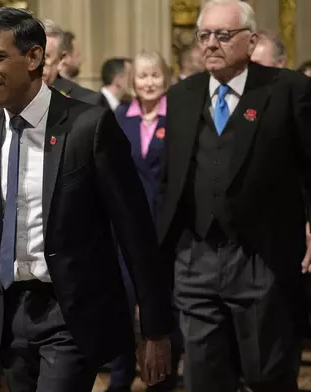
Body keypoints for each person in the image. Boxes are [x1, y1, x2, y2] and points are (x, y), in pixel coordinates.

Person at [0, 8, 173, 392]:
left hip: (70, 314)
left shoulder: (89, 127)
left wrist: (154, 329)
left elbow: (135, 233)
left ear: (35, 57)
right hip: (9, 316)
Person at [158, 1, 311, 391]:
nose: (210, 44)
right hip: (195, 259)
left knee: (267, 375)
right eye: (204, 35)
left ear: (251, 40)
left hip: (261, 256)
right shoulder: (182, 96)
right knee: (203, 377)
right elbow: (172, 180)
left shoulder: (288, 90)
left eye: (223, 35)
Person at [107, 51, 180, 392]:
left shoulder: (178, 117)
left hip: (167, 229)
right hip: (125, 230)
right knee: (121, 307)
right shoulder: (121, 116)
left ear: (166, 78)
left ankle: (164, 380)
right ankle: (120, 379)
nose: (149, 82)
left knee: (165, 307)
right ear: (131, 81)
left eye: (155, 76)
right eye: (142, 76)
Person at [42, 19, 100, 105]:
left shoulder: (86, 101)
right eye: (32, 56)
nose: (35, 63)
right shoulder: (16, 96)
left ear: (61, 60)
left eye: (45, 56)